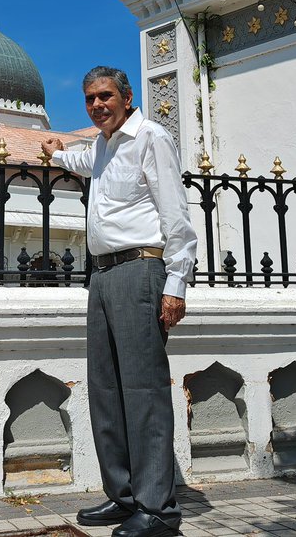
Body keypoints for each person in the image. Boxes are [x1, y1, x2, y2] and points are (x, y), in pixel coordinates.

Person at [41, 65, 198, 537]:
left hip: (141, 271)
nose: (97, 105)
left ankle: (158, 509)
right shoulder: (105, 146)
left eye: (106, 96)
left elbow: (176, 214)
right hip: (103, 276)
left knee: (144, 390)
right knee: (106, 389)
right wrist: (57, 153)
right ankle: (124, 495)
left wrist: (176, 284)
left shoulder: (151, 138)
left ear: (126, 97)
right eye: (90, 99)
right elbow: (85, 164)